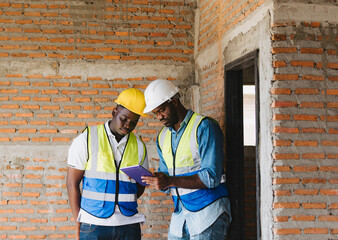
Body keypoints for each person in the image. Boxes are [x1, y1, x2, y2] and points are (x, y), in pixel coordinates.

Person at [141, 79, 231, 240]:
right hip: (181, 215)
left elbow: (211, 176)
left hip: (208, 213)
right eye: (156, 113)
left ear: (174, 102)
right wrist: (157, 180)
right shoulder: (162, 137)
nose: (159, 117)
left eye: (161, 110)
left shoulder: (204, 127)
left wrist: (170, 181)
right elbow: (167, 180)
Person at [66, 88, 148, 240]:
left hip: (129, 224)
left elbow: (141, 184)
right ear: (114, 111)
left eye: (134, 122)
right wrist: (78, 221)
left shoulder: (138, 145)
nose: (128, 125)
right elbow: (72, 183)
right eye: (124, 119)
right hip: (93, 223)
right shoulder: (87, 138)